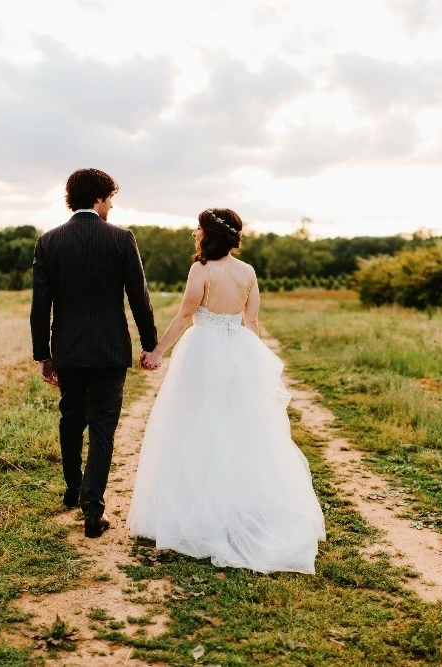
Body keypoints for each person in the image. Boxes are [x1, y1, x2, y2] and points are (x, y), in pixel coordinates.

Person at [127, 208, 325, 574]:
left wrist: (156, 351)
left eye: (197, 228)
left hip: (202, 352)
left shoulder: (201, 269)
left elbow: (186, 315)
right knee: (237, 430)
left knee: (196, 426)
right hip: (238, 351)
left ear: (209, 234)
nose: (193, 234)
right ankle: (236, 508)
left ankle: (200, 511)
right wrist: (252, 364)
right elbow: (252, 322)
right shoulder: (247, 271)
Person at [30, 168, 157, 538]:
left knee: (71, 418)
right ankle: (93, 510)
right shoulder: (121, 239)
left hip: (68, 349)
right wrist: (149, 344)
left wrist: (44, 354)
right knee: (103, 428)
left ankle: (73, 488)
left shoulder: (48, 242)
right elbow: (139, 298)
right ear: (99, 198)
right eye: (110, 199)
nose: (112, 206)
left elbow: (41, 307)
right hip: (109, 351)